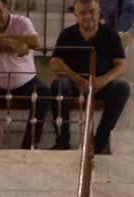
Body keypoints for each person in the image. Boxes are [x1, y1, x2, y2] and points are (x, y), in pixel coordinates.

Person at [49, 0, 129, 155]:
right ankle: (62, 140)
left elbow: (122, 64)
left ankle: (99, 142)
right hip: (74, 84)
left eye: (91, 11)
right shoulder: (67, 34)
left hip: (100, 84)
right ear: (76, 15)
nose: (87, 16)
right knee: (59, 85)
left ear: (99, 12)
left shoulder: (110, 34)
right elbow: (54, 63)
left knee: (122, 88)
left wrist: (103, 80)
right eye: (82, 13)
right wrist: (78, 80)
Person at [0, 0, 50, 150]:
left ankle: (29, 144)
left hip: (25, 82)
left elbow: (35, 41)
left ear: (7, 8)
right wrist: (12, 42)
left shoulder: (22, 21)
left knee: (44, 92)